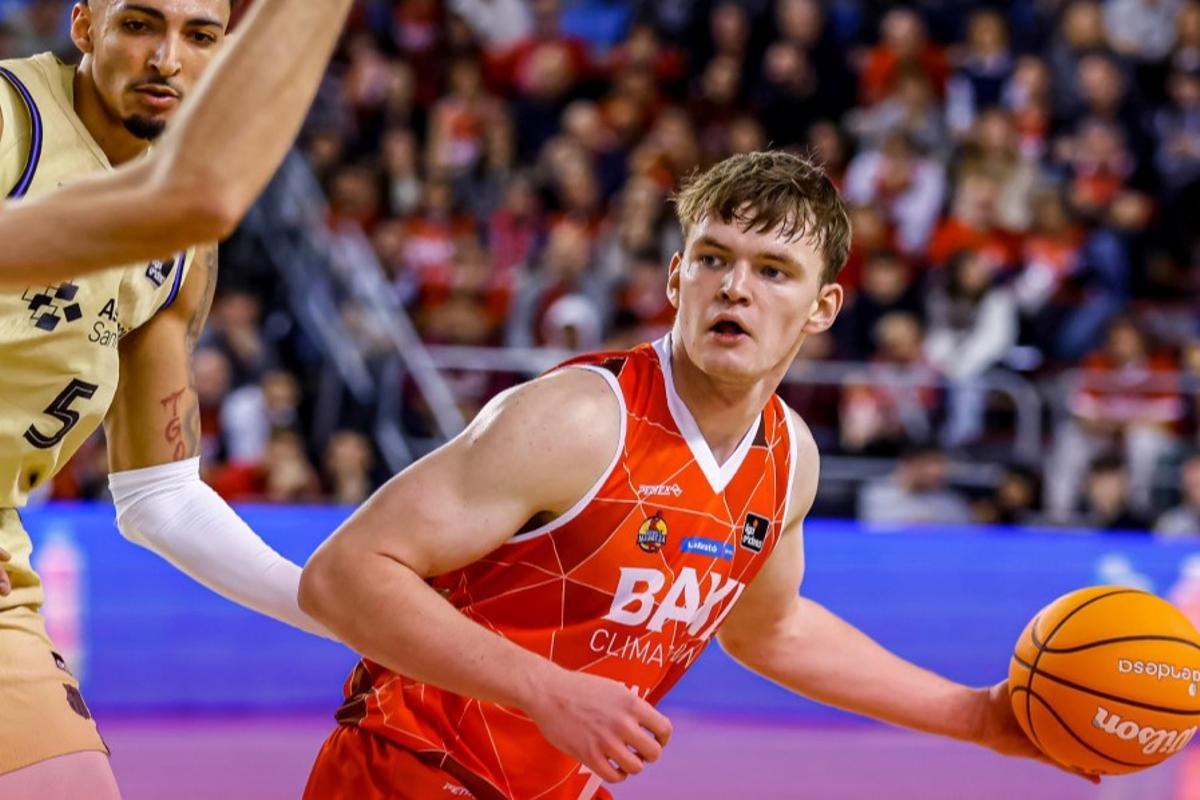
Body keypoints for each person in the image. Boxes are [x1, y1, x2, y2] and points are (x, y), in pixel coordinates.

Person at [298, 152, 1083, 800]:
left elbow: (771, 629)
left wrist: (975, 717)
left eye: (774, 271)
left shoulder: (788, 457)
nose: (735, 287)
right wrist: (545, 690)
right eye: (714, 259)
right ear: (676, 279)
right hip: (409, 772)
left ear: (823, 308)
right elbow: (342, 575)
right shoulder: (579, 418)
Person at [0, 0, 356, 797]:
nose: (166, 59)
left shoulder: (183, 247)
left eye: (199, 36)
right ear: (84, 26)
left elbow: (159, 495)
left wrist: (332, 610)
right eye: (139, 25)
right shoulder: (10, 116)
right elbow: (204, 193)